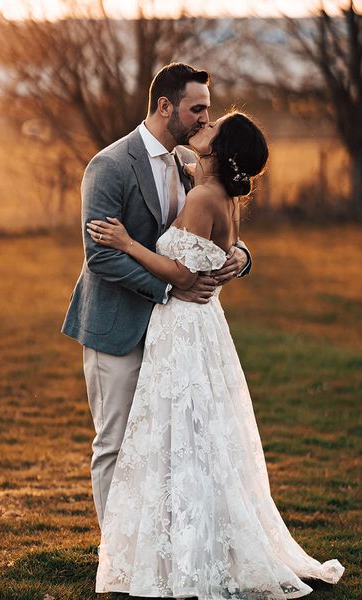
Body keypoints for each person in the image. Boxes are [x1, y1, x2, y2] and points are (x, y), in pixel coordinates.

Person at [87, 111, 344, 598]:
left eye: (211, 126)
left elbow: (180, 274)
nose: (202, 126)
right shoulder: (217, 190)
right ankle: (179, 543)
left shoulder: (205, 197)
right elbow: (222, 246)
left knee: (180, 434)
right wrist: (235, 246)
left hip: (184, 326)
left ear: (218, 150)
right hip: (202, 327)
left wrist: (126, 243)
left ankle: (179, 554)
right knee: (194, 437)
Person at [62, 63, 252, 528]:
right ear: (165, 106)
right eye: (198, 109)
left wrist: (241, 257)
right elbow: (100, 256)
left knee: (162, 443)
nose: (206, 120)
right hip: (117, 325)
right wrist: (173, 284)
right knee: (115, 442)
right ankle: (115, 551)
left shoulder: (192, 166)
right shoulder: (108, 165)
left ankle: (155, 548)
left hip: (174, 336)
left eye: (208, 110)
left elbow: (216, 228)